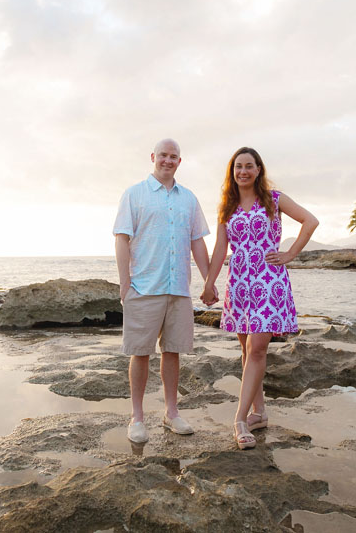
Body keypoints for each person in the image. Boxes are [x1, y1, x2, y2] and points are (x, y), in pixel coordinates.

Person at [200, 147, 318, 449]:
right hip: (239, 282)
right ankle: (259, 412)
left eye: (249, 166)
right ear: (232, 172)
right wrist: (210, 283)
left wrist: (290, 254)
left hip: (268, 281)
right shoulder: (227, 207)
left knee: (258, 349)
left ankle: (239, 419)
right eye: (238, 167)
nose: (243, 172)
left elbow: (310, 221)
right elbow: (219, 249)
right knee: (247, 349)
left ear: (258, 169)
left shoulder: (274, 200)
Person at [114, 138, 213, 444]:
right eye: (164, 155)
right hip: (144, 286)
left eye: (174, 157)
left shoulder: (189, 199)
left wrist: (208, 281)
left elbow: (197, 241)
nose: (168, 161)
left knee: (172, 351)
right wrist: (124, 283)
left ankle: (171, 413)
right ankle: (137, 418)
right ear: (153, 157)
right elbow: (121, 238)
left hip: (178, 288)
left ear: (179, 162)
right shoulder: (134, 194)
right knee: (140, 353)